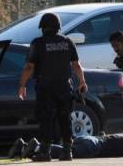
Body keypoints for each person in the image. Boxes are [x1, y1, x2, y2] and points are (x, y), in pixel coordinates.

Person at [17, 12, 88, 161]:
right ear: (58, 27)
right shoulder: (68, 42)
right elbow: (76, 65)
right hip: (64, 86)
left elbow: (29, 66)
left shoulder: (38, 43)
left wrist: (22, 85)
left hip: (45, 87)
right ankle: (67, 152)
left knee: (46, 119)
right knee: (65, 119)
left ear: (42, 27)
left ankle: (44, 152)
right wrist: (82, 81)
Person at [21, 133, 123, 159]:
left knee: (69, 149)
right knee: (69, 153)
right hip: (94, 147)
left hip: (89, 138)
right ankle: (38, 147)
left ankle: (24, 147)